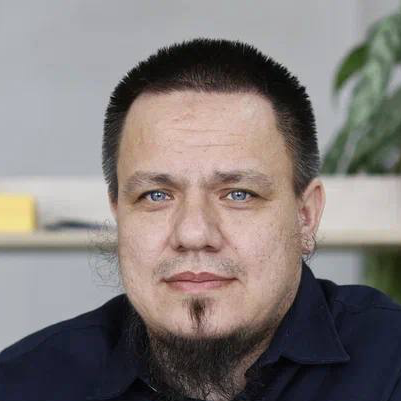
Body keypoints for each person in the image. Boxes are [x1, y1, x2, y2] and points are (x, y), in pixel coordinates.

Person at [1, 38, 401, 401]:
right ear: (118, 214)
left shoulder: (390, 365)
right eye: (156, 195)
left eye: (238, 194)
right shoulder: (23, 384)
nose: (193, 233)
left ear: (306, 216)